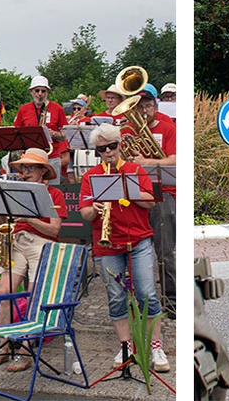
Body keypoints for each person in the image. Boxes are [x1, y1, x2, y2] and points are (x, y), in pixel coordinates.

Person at [78, 124, 171, 374]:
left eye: (112, 146)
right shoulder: (91, 177)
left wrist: (128, 189)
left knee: (147, 293)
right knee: (116, 296)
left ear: (120, 145)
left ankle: (155, 346)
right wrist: (95, 207)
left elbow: (150, 201)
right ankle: (126, 346)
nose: (108, 152)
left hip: (138, 240)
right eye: (102, 149)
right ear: (97, 151)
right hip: (108, 245)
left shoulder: (135, 170)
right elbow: (85, 214)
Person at [0, 147, 68, 372]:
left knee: (34, 297)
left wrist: (29, 219)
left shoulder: (55, 194)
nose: (25, 171)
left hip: (41, 243)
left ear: (43, 170)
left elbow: (54, 230)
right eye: (23, 167)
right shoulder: (17, 191)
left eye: (31, 167)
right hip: (17, 240)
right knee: (4, 293)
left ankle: (25, 353)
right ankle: (2, 348)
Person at [123, 83, 178, 318]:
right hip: (137, 194)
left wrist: (148, 162)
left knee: (164, 252)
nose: (144, 111)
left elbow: (176, 158)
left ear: (156, 105)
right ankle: (139, 302)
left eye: (148, 106)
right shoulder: (129, 130)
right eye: (139, 107)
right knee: (133, 249)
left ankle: (172, 302)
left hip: (163, 193)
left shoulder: (168, 127)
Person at [14, 75, 70, 179]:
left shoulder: (57, 108)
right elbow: (16, 133)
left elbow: (65, 135)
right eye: (37, 90)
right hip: (30, 158)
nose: (40, 94)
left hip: (51, 157)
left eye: (43, 91)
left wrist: (53, 133)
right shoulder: (23, 109)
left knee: (52, 189)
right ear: (31, 91)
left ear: (47, 92)